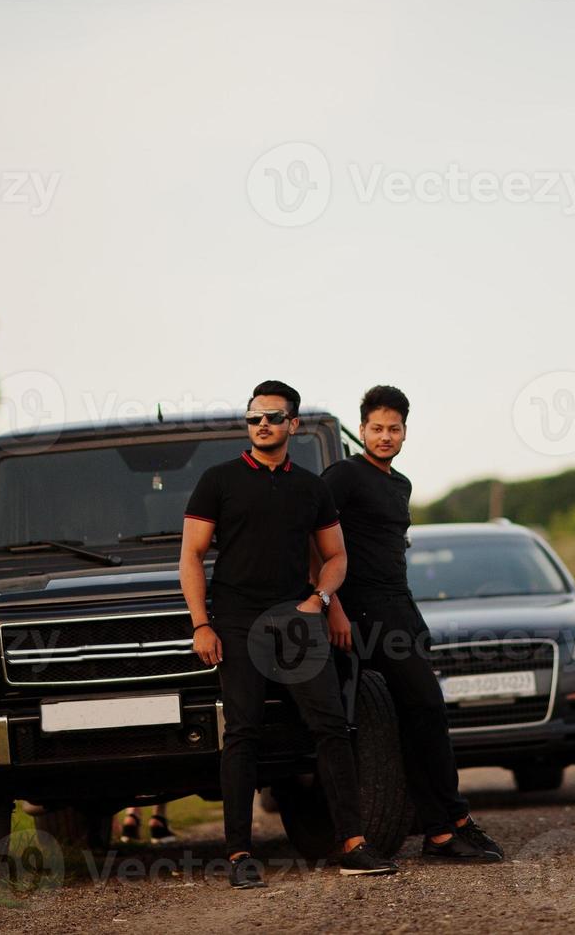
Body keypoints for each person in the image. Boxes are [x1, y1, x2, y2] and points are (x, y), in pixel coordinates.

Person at [180, 380, 399, 890]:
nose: (263, 424)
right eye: (255, 416)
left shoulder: (311, 488)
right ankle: (238, 855)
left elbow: (336, 555)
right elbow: (191, 555)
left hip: (298, 620)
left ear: (293, 425)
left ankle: (352, 844)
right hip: (236, 621)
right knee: (242, 733)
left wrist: (320, 601)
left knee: (331, 727)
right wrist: (202, 624)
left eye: (274, 417)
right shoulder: (219, 480)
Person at [322, 385, 504, 862]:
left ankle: (441, 828)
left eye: (394, 429)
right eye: (377, 428)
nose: (385, 436)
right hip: (362, 610)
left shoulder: (399, 483)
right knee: (421, 707)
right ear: (361, 430)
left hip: (399, 607)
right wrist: (331, 604)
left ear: (405, 432)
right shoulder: (344, 475)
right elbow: (311, 535)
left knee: (422, 715)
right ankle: (450, 823)